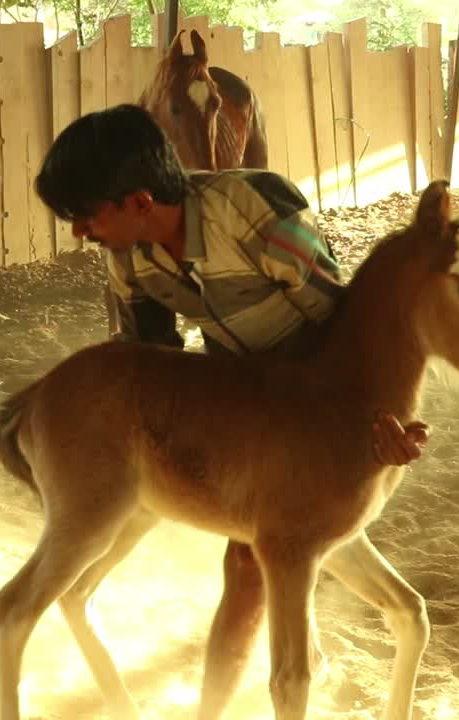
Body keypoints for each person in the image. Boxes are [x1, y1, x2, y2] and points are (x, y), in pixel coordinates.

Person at [33, 103, 429, 718]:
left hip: (319, 394)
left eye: (86, 215)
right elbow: (150, 361)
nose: (81, 231)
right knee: (264, 556)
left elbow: (348, 323)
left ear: (138, 201)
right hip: (242, 395)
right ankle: (279, 678)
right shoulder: (128, 257)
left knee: (252, 561)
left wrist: (366, 427)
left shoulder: (258, 213)